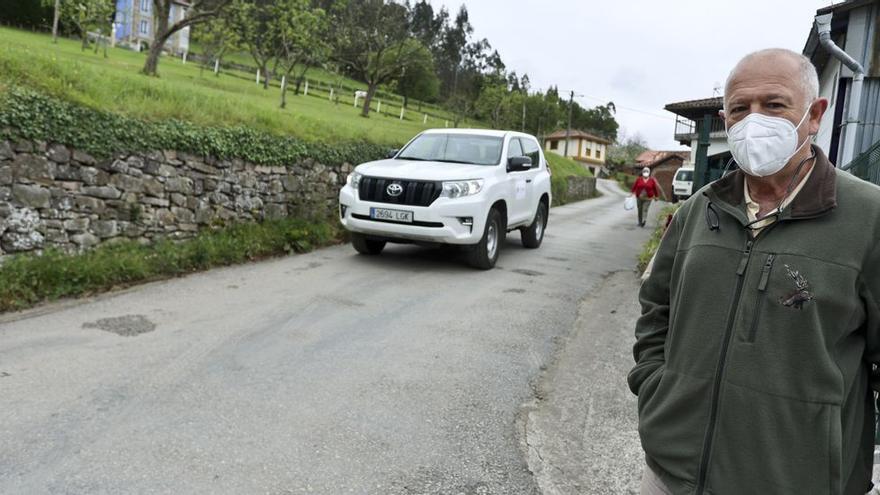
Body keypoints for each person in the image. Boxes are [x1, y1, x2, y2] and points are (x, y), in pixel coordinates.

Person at [629, 48, 880, 495]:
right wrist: (655, 389)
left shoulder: (869, 219)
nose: (753, 121)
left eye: (774, 104)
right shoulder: (698, 209)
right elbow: (656, 309)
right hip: (672, 475)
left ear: (815, 114)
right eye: (739, 110)